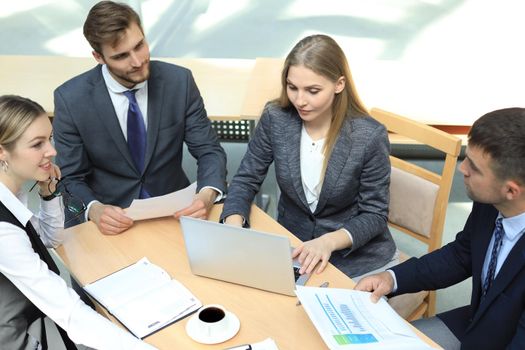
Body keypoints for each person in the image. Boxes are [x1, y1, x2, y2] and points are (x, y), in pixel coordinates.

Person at [220, 34, 396, 278]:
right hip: (295, 251)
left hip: (354, 260)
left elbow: (374, 215)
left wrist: (327, 242)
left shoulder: (368, 136)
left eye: (313, 91)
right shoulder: (276, 118)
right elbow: (246, 178)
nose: (300, 101)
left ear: (339, 84)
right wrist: (233, 224)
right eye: (292, 88)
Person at [355, 108, 525, 349]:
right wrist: (391, 278)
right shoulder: (491, 203)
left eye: (474, 168)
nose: (462, 169)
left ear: (511, 190)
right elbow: (460, 255)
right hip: (480, 321)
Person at [53, 1, 227, 234]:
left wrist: (206, 195)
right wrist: (94, 210)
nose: (137, 61)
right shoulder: (71, 99)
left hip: (173, 212)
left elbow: (209, 150)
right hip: (110, 219)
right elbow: (70, 178)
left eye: (140, 45)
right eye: (121, 56)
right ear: (98, 57)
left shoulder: (179, 82)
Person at [0, 95, 156, 349]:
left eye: (49, 139)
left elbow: (47, 239)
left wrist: (48, 193)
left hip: (35, 317)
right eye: (37, 144)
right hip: (16, 337)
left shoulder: (11, 189)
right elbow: (70, 314)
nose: (52, 151)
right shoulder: (3, 232)